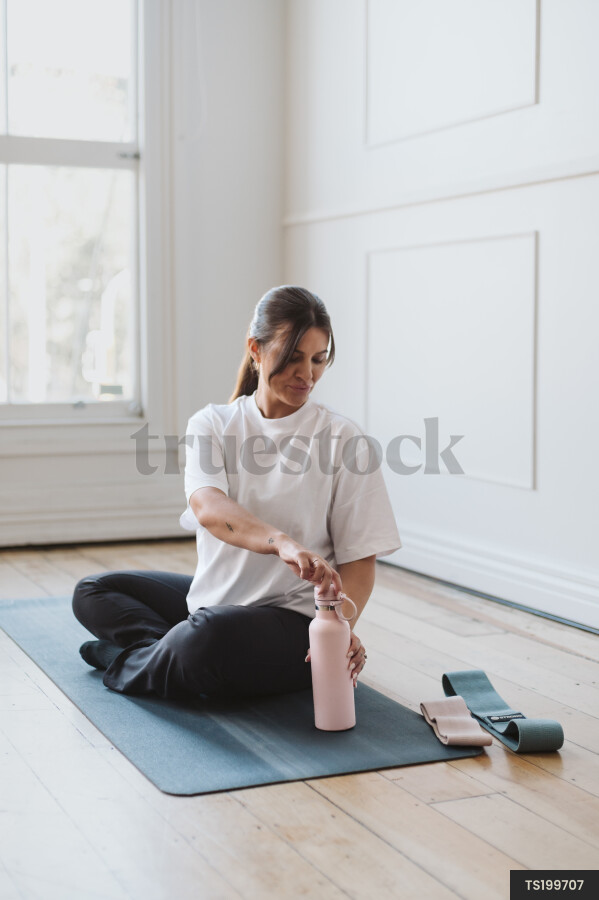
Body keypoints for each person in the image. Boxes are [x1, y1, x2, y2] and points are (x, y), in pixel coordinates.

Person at [72, 285, 401, 701]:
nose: (308, 374)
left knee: (207, 636)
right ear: (256, 350)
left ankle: (135, 659)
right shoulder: (212, 423)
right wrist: (279, 542)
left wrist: (338, 629)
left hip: (295, 624)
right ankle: (167, 654)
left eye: (319, 360)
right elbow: (209, 506)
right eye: (293, 357)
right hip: (214, 608)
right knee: (94, 591)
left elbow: (360, 559)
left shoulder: (343, 438)